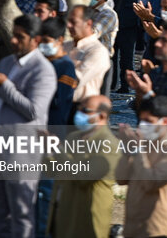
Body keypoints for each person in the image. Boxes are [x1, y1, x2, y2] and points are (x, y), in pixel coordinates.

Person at [0, 14, 56, 238]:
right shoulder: (6, 61)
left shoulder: (42, 70)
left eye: (20, 37)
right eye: (13, 35)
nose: (13, 41)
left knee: (21, 212)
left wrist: (4, 85)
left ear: (35, 40)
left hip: (21, 149)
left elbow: (34, 110)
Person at [48, 95, 121, 238]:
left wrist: (58, 149)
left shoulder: (110, 145)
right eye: (78, 109)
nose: (79, 114)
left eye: (85, 111)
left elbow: (84, 176)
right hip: (63, 213)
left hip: (87, 219)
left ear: (102, 116)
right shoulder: (73, 137)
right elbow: (53, 170)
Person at [116, 95, 167, 238]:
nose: (143, 126)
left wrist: (137, 150)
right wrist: (127, 152)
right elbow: (121, 179)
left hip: (156, 227)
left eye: (149, 121)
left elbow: (151, 182)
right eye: (142, 120)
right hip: (133, 224)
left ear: (164, 122)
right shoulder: (144, 143)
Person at [65, 5, 110, 102]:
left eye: (73, 22)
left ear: (88, 23)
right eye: (68, 21)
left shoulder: (97, 51)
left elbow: (75, 81)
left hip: (81, 107)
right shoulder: (65, 46)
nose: (68, 25)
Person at [39, 18, 77, 126]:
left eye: (46, 41)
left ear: (60, 40)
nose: (42, 45)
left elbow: (59, 101)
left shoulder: (65, 66)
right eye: (40, 41)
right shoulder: (43, 61)